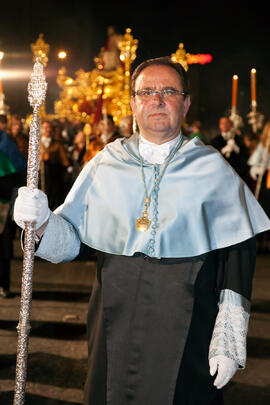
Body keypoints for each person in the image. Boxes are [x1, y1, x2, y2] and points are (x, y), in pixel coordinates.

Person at [13, 57, 270, 405]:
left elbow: (237, 254)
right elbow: (74, 243)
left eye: (169, 91)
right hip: (113, 323)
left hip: (190, 327)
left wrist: (229, 336)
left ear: (186, 102)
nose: (157, 99)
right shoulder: (105, 163)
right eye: (146, 91)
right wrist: (41, 222)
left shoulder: (212, 168)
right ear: (133, 102)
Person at [248, 121, 270, 252]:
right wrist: (256, 169)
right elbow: (254, 162)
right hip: (265, 181)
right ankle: (262, 239)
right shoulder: (264, 145)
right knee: (264, 208)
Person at [39, 120, 70, 211]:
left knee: (52, 195)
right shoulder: (36, 142)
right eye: (45, 128)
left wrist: (67, 167)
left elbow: (63, 158)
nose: (47, 130)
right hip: (40, 172)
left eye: (49, 127)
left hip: (53, 173)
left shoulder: (57, 143)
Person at [210, 116, 250, 182]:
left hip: (236, 172)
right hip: (221, 172)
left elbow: (245, 155)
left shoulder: (238, 139)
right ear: (219, 125)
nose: (224, 125)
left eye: (227, 123)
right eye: (222, 123)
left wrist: (236, 148)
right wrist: (223, 150)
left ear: (231, 125)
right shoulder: (215, 141)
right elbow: (212, 156)